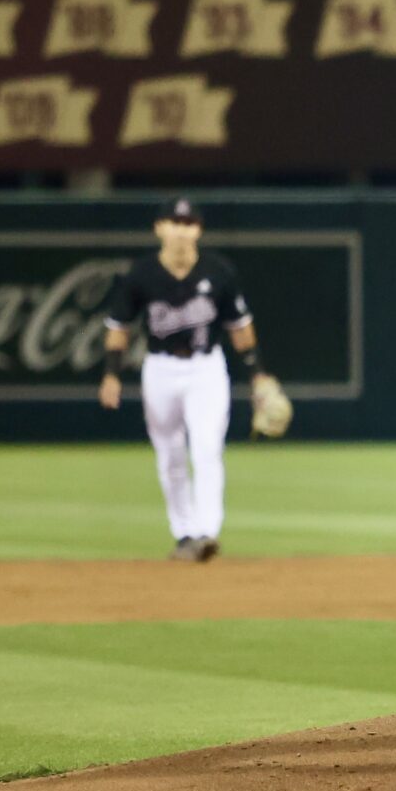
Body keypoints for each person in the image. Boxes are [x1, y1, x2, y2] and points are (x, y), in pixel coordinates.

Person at [97, 197, 277, 561]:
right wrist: (111, 374)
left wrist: (257, 374)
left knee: (207, 448)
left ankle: (207, 532)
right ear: (159, 228)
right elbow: (119, 328)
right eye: (175, 223)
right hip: (160, 369)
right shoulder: (142, 274)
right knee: (170, 455)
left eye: (189, 224)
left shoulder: (219, 272)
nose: (182, 231)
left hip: (205, 368)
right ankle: (184, 534)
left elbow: (241, 329)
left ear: (199, 231)